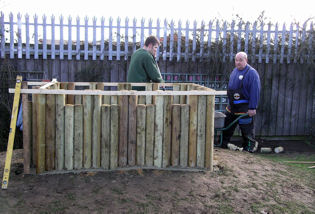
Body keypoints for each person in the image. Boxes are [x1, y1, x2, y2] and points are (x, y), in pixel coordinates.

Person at [221, 52, 261, 152]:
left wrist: (252, 107)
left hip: (244, 107)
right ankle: (223, 145)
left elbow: (255, 91)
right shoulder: (234, 71)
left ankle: (248, 149)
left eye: (240, 60)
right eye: (236, 60)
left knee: (246, 129)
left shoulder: (252, 73)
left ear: (246, 60)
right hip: (232, 106)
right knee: (227, 126)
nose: (238, 62)